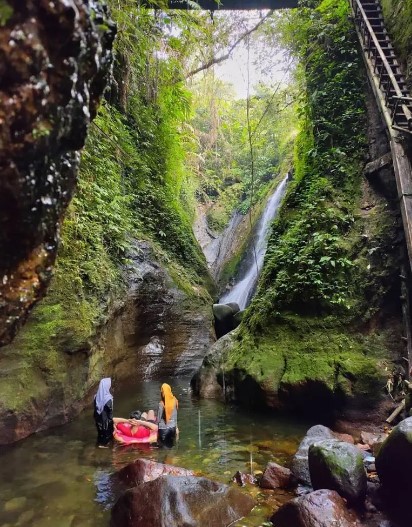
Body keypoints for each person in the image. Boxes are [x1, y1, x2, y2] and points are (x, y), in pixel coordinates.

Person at [93, 378, 114, 448]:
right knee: (107, 437)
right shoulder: (108, 399)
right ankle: (105, 447)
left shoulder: (96, 396)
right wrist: (113, 426)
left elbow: (95, 409)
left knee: (100, 434)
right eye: (109, 385)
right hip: (106, 422)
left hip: (98, 420)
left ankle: (98, 445)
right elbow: (110, 415)